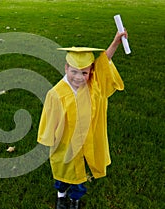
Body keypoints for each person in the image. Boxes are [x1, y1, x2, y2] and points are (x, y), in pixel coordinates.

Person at [37, 29, 128, 209]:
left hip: (88, 141)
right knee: (63, 172)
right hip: (65, 142)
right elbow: (49, 117)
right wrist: (49, 137)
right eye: (74, 72)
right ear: (66, 68)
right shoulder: (56, 93)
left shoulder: (94, 85)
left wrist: (116, 42)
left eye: (84, 73)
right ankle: (61, 195)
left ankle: (75, 199)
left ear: (91, 72)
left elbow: (104, 62)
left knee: (80, 177)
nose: (79, 77)